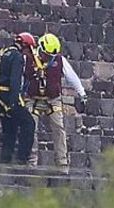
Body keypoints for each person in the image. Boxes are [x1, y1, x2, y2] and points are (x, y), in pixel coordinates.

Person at [25, 32, 87, 173]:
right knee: (30, 129)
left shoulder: (59, 60)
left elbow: (72, 77)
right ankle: (31, 162)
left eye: (51, 56)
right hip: (32, 98)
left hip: (53, 99)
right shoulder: (29, 58)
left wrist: (82, 93)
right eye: (46, 55)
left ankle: (62, 163)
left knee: (59, 128)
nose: (48, 58)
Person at [0, 32, 37, 165]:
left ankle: (6, 158)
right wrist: (14, 101)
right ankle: (22, 158)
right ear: (25, 46)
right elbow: (15, 80)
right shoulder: (17, 56)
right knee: (28, 123)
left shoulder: (2, 53)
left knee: (10, 126)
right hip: (6, 94)